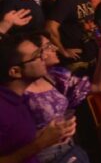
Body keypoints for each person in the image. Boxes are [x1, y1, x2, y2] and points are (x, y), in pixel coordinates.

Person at [24, 31, 101, 163]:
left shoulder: (55, 77)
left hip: (71, 148)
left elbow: (98, 86)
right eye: (48, 46)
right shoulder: (18, 91)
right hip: (45, 156)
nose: (55, 48)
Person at [0, 34, 78, 163]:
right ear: (15, 71)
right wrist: (41, 143)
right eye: (37, 56)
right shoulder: (3, 109)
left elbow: (15, 142)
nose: (44, 57)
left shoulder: (18, 100)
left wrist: (50, 134)